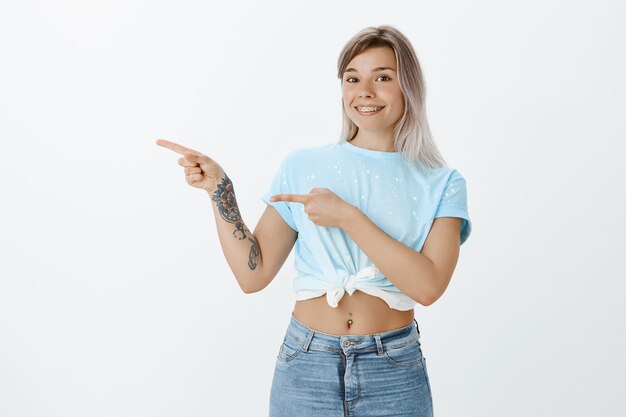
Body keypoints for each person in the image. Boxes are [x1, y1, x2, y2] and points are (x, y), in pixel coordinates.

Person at [156, 24, 471, 417]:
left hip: (392, 369)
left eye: (383, 78)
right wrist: (221, 190)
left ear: (409, 86)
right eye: (352, 78)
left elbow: (428, 286)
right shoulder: (304, 165)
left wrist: (348, 218)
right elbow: (253, 276)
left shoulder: (442, 183)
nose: (365, 92)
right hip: (306, 365)